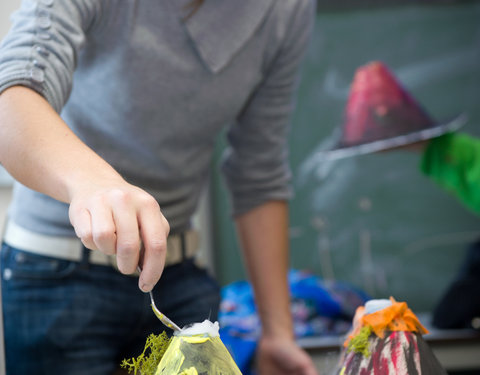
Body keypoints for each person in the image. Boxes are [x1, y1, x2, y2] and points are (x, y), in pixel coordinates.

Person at [0, 0, 319, 374]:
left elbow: (259, 172)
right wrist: (94, 184)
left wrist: (278, 332)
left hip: (176, 277)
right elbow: (13, 98)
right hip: (54, 275)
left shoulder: (286, 10)